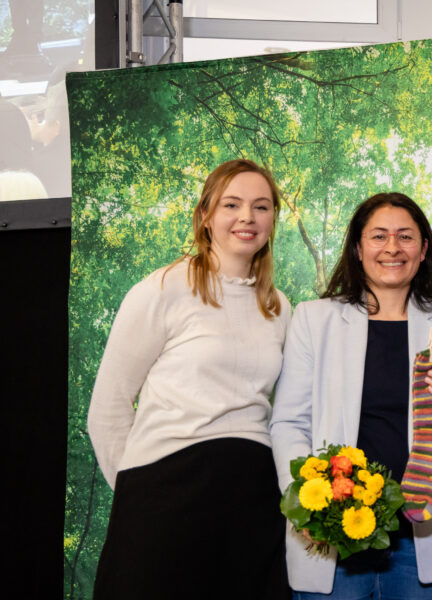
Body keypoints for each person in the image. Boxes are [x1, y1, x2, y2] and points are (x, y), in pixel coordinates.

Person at [269, 192, 432, 599]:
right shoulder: (313, 320)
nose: (392, 247)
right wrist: (302, 496)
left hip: (418, 536)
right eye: (379, 236)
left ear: (424, 249)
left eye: (406, 237)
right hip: (331, 532)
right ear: (357, 248)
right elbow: (287, 422)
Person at [88, 158, 292, 599]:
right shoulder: (162, 289)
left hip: (253, 505)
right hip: (165, 498)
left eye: (261, 207)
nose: (247, 218)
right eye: (231, 204)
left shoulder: (280, 307)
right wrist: (138, 497)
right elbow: (106, 410)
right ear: (205, 215)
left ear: (273, 218)